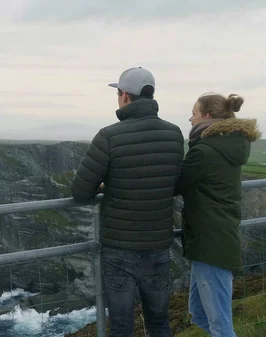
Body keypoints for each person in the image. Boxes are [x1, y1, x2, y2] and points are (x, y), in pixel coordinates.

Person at [70, 67, 184, 337]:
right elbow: (174, 181)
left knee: (121, 326)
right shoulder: (175, 134)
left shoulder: (109, 136)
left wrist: (107, 185)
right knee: (159, 321)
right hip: (157, 246)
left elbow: (80, 191)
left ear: (124, 96)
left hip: (119, 249)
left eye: (118, 92)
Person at [175, 92, 261, 337]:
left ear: (207, 116)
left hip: (209, 241)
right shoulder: (227, 145)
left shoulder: (205, 151)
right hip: (215, 237)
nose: (189, 118)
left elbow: (176, 184)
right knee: (199, 313)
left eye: (193, 112)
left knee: (220, 324)